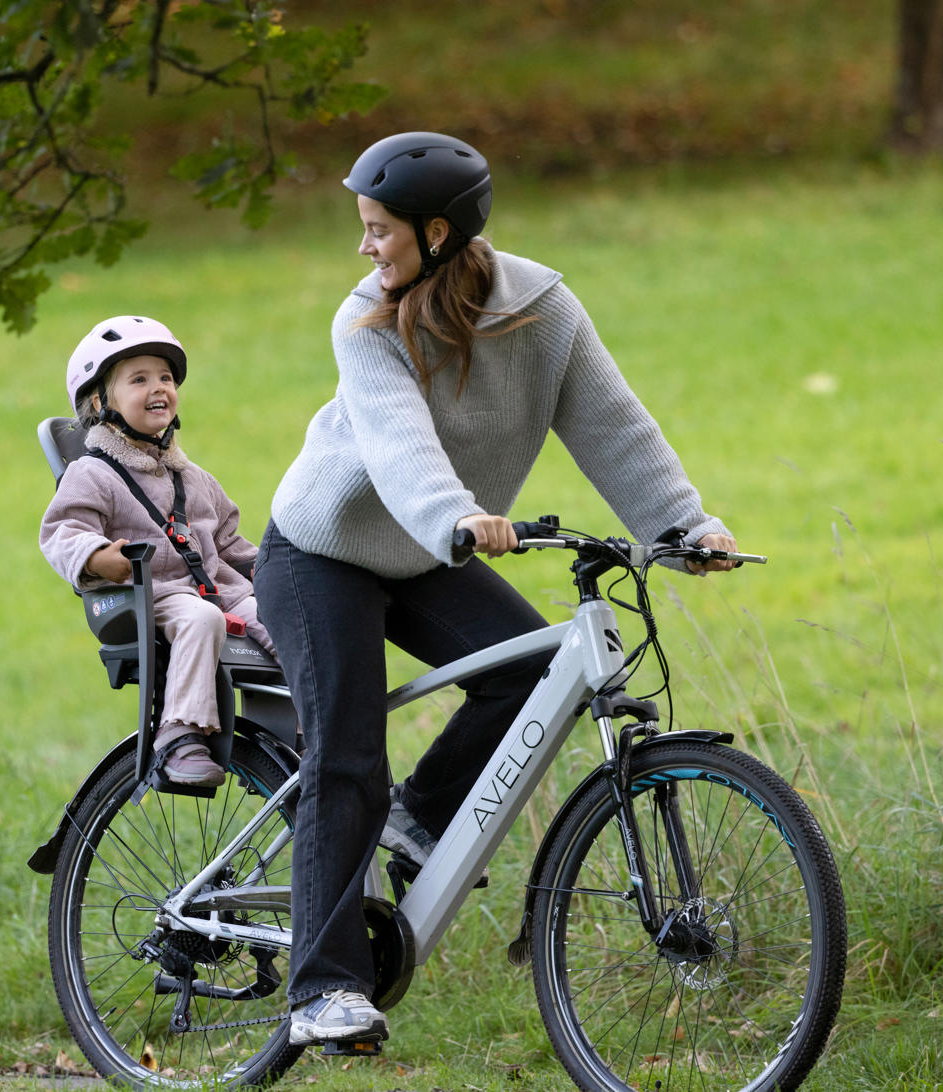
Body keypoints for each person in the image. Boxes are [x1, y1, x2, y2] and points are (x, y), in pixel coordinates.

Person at [251, 132, 739, 1046]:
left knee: (526, 674)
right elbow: (400, 445)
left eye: (378, 230)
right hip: (323, 551)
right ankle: (322, 991)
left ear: (438, 232)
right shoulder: (366, 320)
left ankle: (415, 822)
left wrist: (683, 529)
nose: (364, 249)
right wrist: (457, 517)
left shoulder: (544, 312)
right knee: (348, 752)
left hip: (430, 550)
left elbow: (614, 426)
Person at [40, 315, 275, 787]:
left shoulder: (194, 478)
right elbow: (62, 529)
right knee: (199, 618)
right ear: (98, 401)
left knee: (285, 614)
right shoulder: (93, 474)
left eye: (165, 377)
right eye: (139, 379)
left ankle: (298, 732)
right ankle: (179, 734)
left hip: (217, 590)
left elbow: (230, 544)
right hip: (150, 591)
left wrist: (279, 572)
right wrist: (94, 556)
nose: (159, 388)